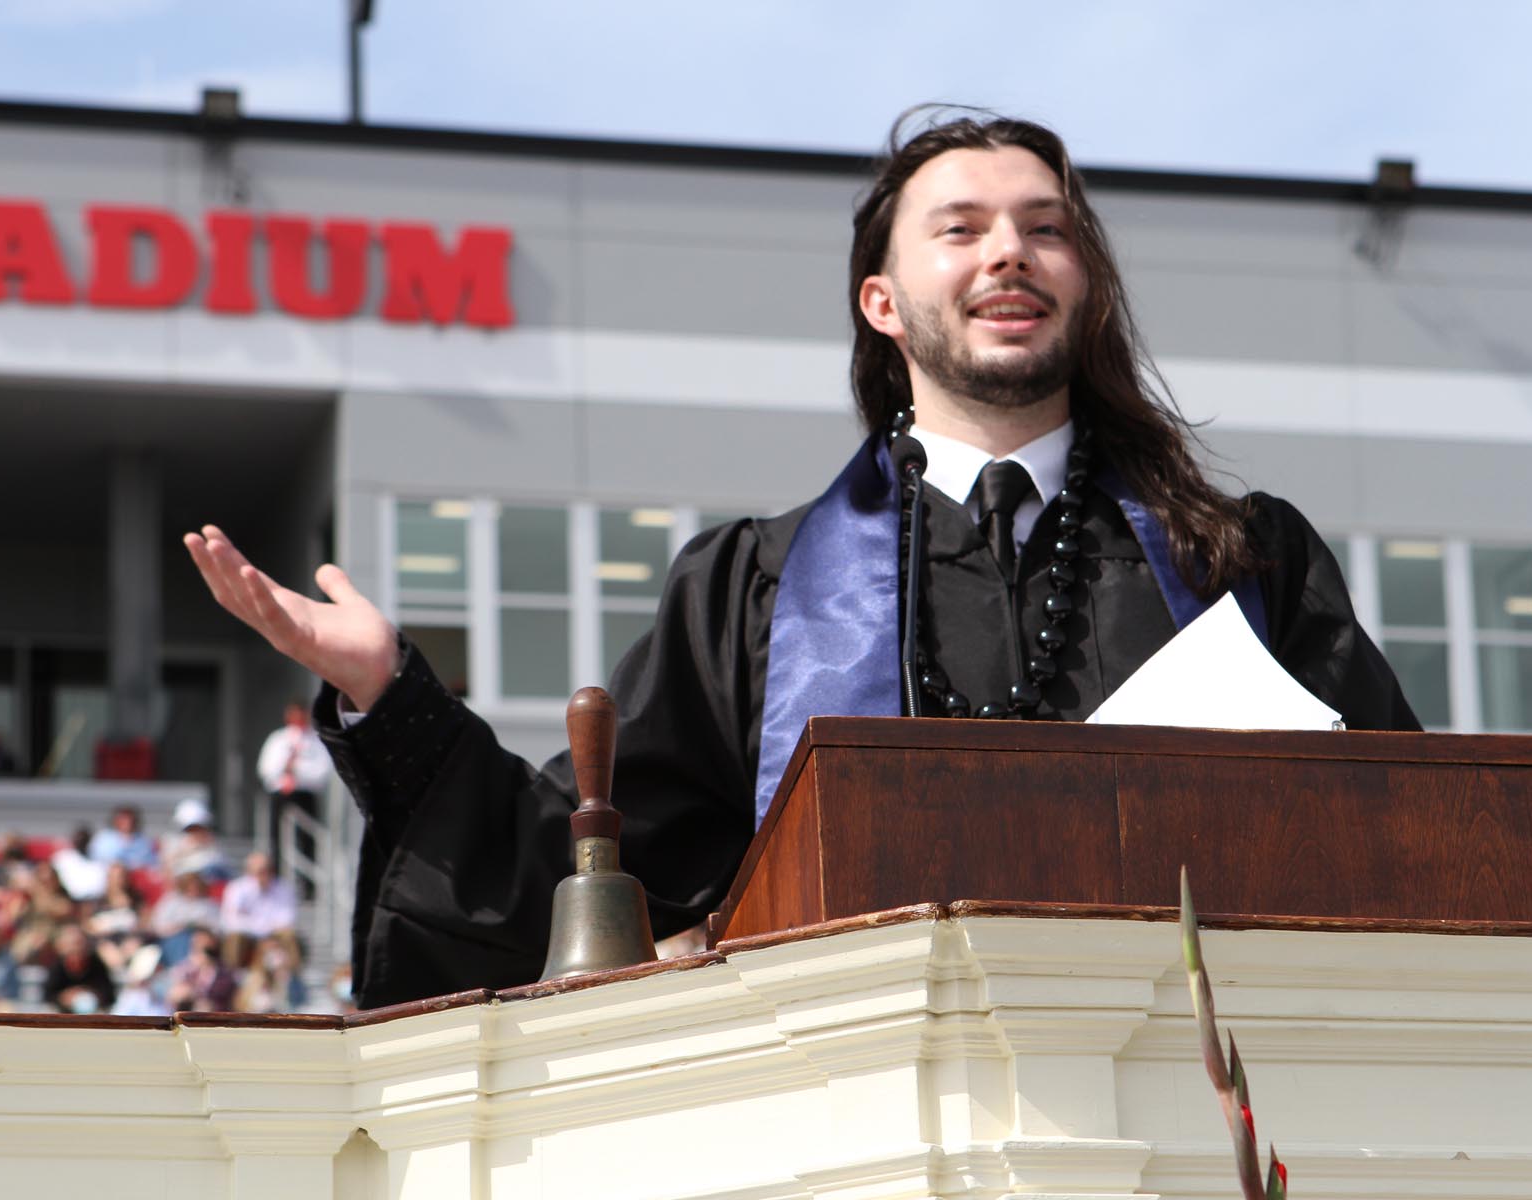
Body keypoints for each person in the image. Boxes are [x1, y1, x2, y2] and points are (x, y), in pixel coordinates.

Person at [185, 111, 1417, 1009]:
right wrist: (393, 699)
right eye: (964, 228)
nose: (1011, 252)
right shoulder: (756, 597)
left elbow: (1410, 839)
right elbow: (585, 871)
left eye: (1047, 229)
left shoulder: (1236, 566)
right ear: (884, 303)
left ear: (1084, 287)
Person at [254, 700, 332, 879]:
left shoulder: (316, 741)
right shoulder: (278, 739)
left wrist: (298, 770)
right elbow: (266, 769)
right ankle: (277, 876)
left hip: (304, 794)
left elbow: (321, 772)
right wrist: (285, 766)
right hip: (280, 794)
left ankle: (308, 884)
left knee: (307, 840)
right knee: (276, 838)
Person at [216, 851, 297, 968]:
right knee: (235, 937)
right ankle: (232, 974)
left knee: (288, 935)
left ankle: (292, 977)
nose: (264, 875)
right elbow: (231, 920)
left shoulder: (284, 888)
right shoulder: (236, 888)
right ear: (249, 872)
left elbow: (288, 919)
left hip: (273, 934)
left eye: (267, 870)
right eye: (259, 871)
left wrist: (261, 929)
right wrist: (261, 928)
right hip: (247, 934)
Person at [87, 805, 160, 870]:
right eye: (123, 820)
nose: (127, 823)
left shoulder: (143, 841)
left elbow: (150, 862)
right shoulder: (104, 838)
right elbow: (96, 858)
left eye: (129, 820)